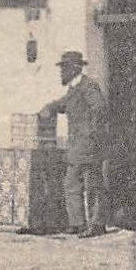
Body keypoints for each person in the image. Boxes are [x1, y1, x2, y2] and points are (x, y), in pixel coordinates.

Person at [39, 50, 107, 237]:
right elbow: (64, 103)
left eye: (65, 68)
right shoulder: (73, 89)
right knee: (71, 184)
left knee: (92, 185)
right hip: (76, 147)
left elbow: (99, 109)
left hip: (89, 145)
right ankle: (77, 223)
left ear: (75, 69)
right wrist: (50, 107)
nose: (61, 73)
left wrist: (91, 133)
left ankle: (97, 224)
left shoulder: (88, 87)